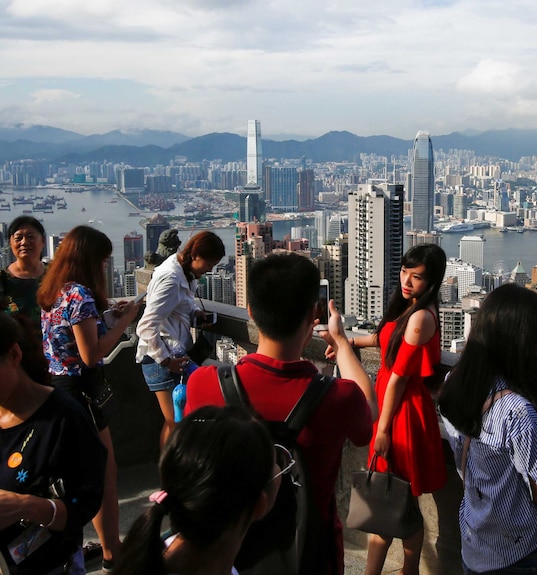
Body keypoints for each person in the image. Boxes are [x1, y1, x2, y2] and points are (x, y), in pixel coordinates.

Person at [184, 252, 375, 574]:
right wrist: (342, 344)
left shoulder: (204, 384)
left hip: (229, 552)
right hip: (311, 554)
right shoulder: (338, 397)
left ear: (251, 312)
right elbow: (367, 417)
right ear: (313, 315)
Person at [439, 284, 537, 575]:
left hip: (476, 538)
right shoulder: (516, 412)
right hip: (520, 553)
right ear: (522, 342)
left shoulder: (456, 382)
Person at [37, 225, 142, 573]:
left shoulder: (54, 291)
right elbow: (90, 354)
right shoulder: (79, 295)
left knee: (83, 474)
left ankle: (99, 547)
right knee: (103, 474)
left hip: (57, 388)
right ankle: (113, 551)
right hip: (81, 393)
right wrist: (125, 319)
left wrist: (108, 316)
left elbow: (67, 340)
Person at [347, 243, 447, 575]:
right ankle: (408, 570)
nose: (406, 281)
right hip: (395, 410)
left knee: (395, 497)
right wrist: (351, 342)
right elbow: (386, 338)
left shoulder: (420, 316)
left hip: (402, 414)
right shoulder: (411, 310)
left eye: (416, 277)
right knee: (395, 498)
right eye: (405, 272)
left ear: (431, 281)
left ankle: (406, 570)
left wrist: (384, 429)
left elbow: (398, 380)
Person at [113, 405, 280, 575]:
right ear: (260, 505)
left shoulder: (156, 557)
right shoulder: (216, 563)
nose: (280, 467)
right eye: (278, 463)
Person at [0, 312, 107, 575]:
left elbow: (84, 505)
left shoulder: (63, 417)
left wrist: (27, 506)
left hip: (50, 564)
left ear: (14, 355)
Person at [135, 230, 225, 448]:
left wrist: (195, 312)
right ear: (195, 256)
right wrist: (167, 361)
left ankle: (170, 475)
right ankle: (171, 477)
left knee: (175, 424)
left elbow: (177, 305)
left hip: (173, 355)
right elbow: (146, 326)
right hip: (161, 360)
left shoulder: (183, 272)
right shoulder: (171, 279)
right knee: (176, 426)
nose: (209, 270)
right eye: (209, 263)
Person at [1, 216, 47, 324]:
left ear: (43, 241)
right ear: (10, 242)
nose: (24, 242)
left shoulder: (56, 274)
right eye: (18, 238)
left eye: (30, 237)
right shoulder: (3, 279)